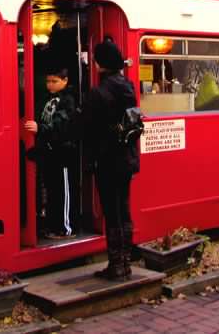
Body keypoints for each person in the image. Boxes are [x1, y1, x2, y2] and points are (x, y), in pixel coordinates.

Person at [83, 40, 139, 280]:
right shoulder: (129, 86)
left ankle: (115, 265)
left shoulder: (98, 92)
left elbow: (87, 126)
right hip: (127, 157)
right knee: (124, 208)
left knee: (111, 211)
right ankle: (126, 262)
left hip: (107, 159)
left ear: (101, 64)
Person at [24, 65, 79, 240]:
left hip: (63, 152)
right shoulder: (48, 99)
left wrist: (41, 128)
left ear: (65, 81)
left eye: (54, 81)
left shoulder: (69, 99)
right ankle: (54, 224)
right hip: (50, 152)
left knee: (63, 191)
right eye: (48, 81)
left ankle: (66, 227)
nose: (50, 85)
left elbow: (62, 125)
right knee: (53, 190)